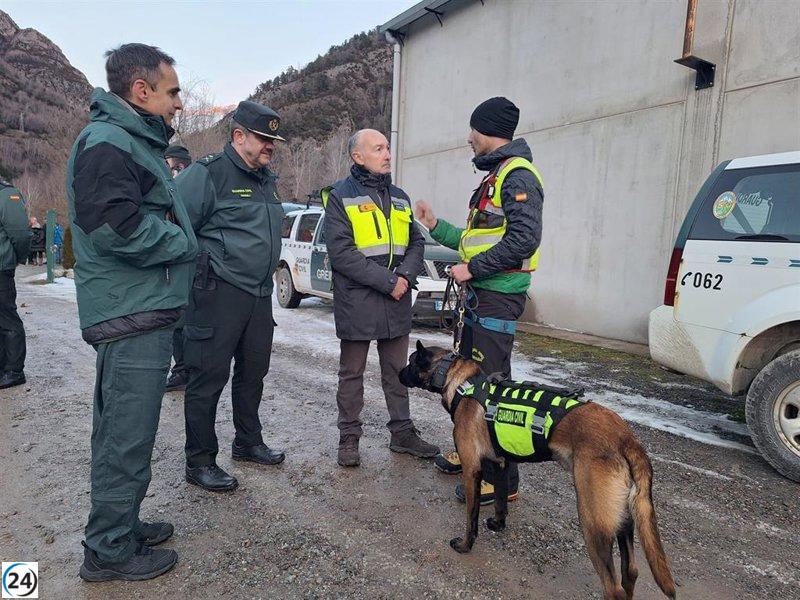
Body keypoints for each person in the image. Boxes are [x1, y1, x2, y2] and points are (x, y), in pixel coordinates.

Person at [67, 43, 197, 582]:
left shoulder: (127, 140)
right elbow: (113, 226)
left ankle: (121, 521)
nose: (178, 103)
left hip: (140, 308)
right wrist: (181, 242)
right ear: (140, 91)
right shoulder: (108, 142)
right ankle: (108, 549)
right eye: (171, 92)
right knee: (125, 434)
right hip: (131, 312)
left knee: (126, 430)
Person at [415, 97, 543, 505]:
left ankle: (501, 481)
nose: (468, 138)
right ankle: (472, 452)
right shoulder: (496, 177)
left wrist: (473, 270)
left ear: (487, 130)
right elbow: (474, 242)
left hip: (496, 301)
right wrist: (435, 226)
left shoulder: (517, 176)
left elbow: (524, 241)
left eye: (472, 130)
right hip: (481, 300)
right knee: (470, 383)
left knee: (492, 389)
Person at [177, 100, 286, 493]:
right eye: (264, 138)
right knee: (207, 379)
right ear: (239, 136)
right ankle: (200, 460)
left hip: (259, 294)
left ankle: (247, 441)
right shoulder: (208, 174)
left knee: (253, 373)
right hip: (217, 293)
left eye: (274, 139)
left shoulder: (266, 180)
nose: (270, 145)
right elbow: (176, 228)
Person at [323, 128, 439, 467]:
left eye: (387, 147)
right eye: (378, 149)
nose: (387, 153)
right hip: (359, 300)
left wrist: (404, 276)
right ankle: (349, 437)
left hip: (396, 299)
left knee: (397, 370)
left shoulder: (400, 196)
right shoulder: (340, 197)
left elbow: (417, 242)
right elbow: (341, 253)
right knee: (352, 373)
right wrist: (389, 281)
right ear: (358, 156)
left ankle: (402, 433)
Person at [163, 144, 193, 392]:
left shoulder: (180, 188)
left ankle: (183, 370)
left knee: (180, 322)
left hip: (184, 264)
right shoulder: (197, 184)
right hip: (189, 264)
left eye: (169, 164)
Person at [0, 178, 32, 389]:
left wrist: (17, 257)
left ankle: (13, 370)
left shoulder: (6, 194)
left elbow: (20, 233)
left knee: (5, 317)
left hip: (0, 267)